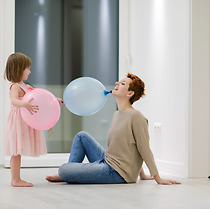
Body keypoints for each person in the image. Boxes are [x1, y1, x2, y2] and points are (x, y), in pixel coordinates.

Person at [46, 73, 181, 185]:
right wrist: (142, 175)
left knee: (63, 169)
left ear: (130, 93)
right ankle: (70, 174)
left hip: (117, 172)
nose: (116, 83)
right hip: (107, 160)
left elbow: (143, 148)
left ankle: (67, 173)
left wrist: (157, 177)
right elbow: (130, 149)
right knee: (81, 136)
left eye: (122, 84)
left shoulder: (137, 116)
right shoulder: (117, 114)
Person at [4, 52, 64, 187]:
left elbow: (41, 96)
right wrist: (24, 104)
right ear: (19, 69)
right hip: (18, 119)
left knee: (19, 150)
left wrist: (55, 100)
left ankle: (16, 178)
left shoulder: (26, 85)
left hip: (25, 120)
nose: (30, 72)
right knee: (16, 151)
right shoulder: (15, 86)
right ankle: (15, 179)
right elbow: (14, 100)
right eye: (28, 69)